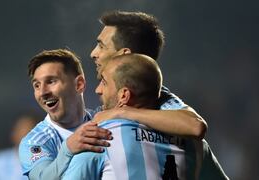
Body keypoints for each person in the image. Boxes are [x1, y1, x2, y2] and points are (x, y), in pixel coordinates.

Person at [19, 49, 205, 179]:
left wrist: (123, 111)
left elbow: (194, 124)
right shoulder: (35, 141)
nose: (42, 92)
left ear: (79, 84)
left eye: (51, 81)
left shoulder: (108, 128)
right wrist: (68, 148)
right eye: (36, 85)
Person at [62, 54, 228, 180]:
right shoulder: (196, 146)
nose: (98, 89)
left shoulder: (101, 137)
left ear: (124, 96)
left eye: (104, 82)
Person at [90, 10, 207, 139]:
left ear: (125, 55)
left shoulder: (160, 99)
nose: (93, 53)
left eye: (101, 46)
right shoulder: (106, 96)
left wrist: (122, 112)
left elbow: (195, 126)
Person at [0, 115, 39, 180]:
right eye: (21, 130)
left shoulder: (44, 164)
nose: (24, 134)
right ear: (13, 133)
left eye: (29, 130)